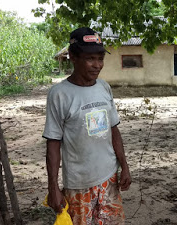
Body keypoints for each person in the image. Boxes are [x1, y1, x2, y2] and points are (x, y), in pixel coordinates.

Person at [43, 27, 131, 225]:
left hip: (109, 178)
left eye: (100, 59)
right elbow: (53, 143)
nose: (97, 65)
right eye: (90, 59)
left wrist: (124, 166)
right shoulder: (59, 94)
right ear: (73, 57)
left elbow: (113, 130)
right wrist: (53, 187)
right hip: (78, 185)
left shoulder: (104, 87)